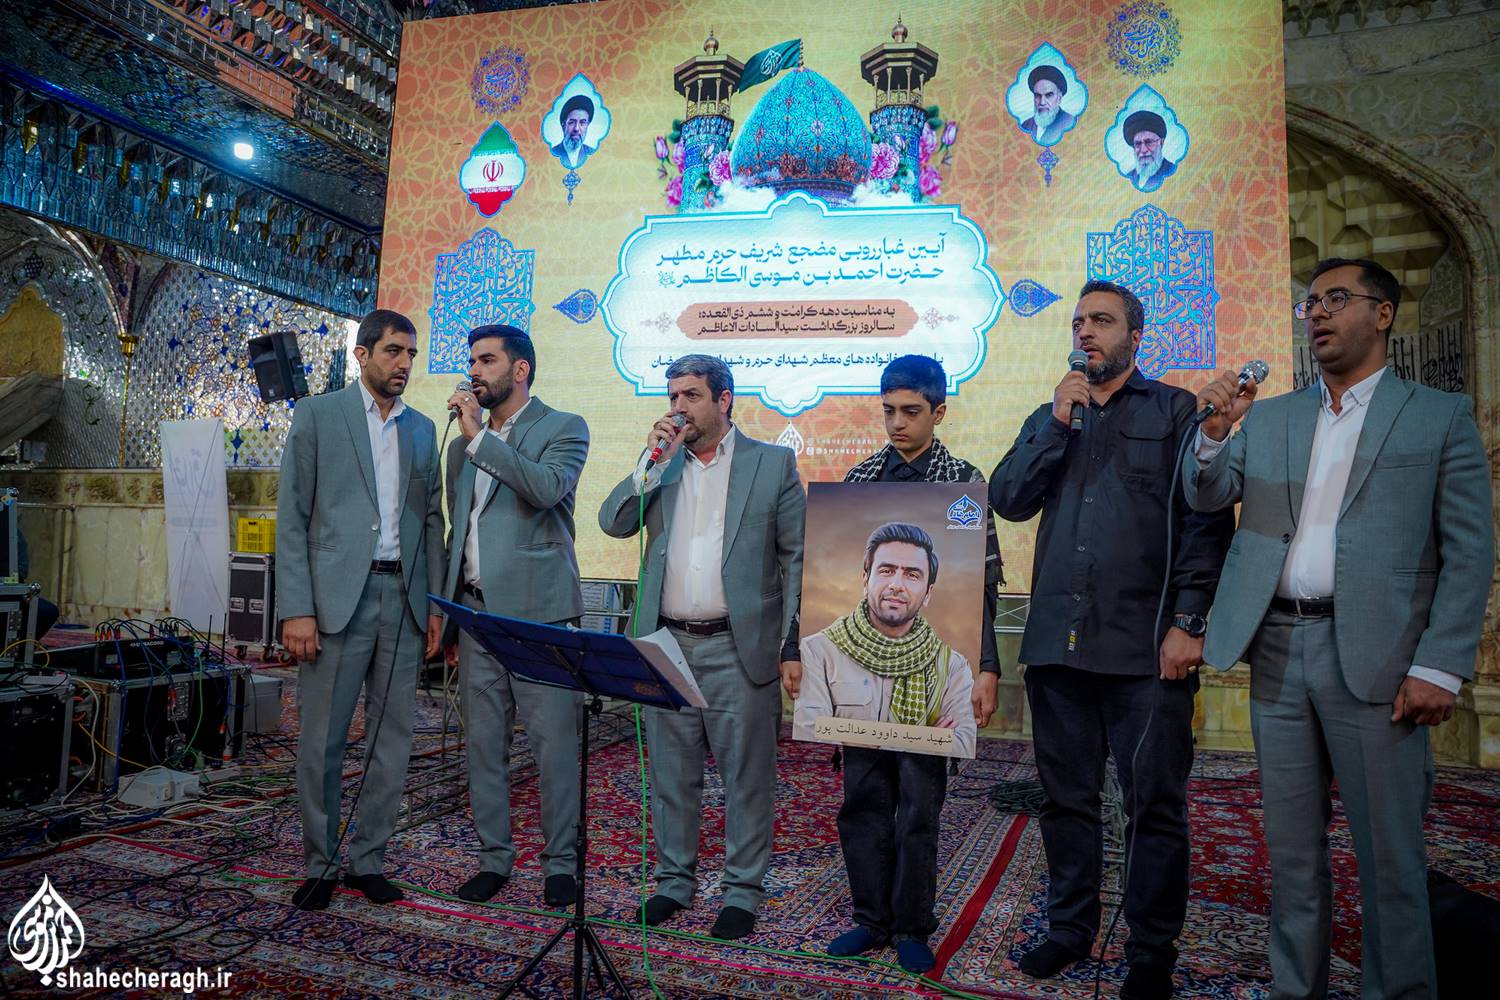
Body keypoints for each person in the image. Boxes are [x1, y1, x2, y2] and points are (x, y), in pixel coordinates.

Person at [1184, 257, 1494, 1000]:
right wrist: (1216, 433)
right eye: (1310, 303)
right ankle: (1298, 989)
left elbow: (1469, 549)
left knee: (1390, 857)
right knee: (1291, 853)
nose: (1317, 313)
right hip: (1278, 649)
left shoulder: (1437, 415)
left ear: (1382, 314)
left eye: (1335, 299)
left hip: (1382, 657)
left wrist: (1440, 664)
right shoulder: (1274, 417)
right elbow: (1207, 494)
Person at [990, 281, 1234, 1000]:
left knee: (1152, 805)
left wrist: (1189, 622)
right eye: (1078, 322)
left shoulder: (1175, 412)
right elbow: (1007, 498)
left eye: (1101, 320)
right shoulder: (1051, 414)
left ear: (1135, 335)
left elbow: (1205, 522)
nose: (1086, 332)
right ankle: (1070, 931)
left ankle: (1151, 951)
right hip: (1057, 647)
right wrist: (1055, 423)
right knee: (1065, 801)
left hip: (1144, 650)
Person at [598, 353, 804, 940]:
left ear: (724, 399)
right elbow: (613, 523)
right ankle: (673, 882)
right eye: (672, 397)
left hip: (739, 645)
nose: (678, 408)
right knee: (671, 774)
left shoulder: (771, 463)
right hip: (666, 643)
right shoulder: (661, 467)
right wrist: (647, 464)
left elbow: (796, 558)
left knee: (747, 777)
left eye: (690, 396)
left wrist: (791, 641)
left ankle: (741, 891)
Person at [276, 308, 445, 911]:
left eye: (411, 354)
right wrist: (296, 609)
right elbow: (292, 517)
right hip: (332, 604)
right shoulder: (318, 416)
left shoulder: (422, 429)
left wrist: (433, 604)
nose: (404, 364)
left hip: (403, 602)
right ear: (363, 354)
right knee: (322, 740)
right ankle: (320, 864)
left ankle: (368, 860)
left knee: (391, 740)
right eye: (394, 351)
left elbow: (432, 521)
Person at [440, 324, 590, 909]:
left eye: (487, 361)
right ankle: (493, 859)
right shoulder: (461, 446)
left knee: (553, 748)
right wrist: (450, 614)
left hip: (541, 619)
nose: (474, 372)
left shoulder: (564, 427)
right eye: (472, 361)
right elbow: (459, 529)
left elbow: (545, 489)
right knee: (483, 745)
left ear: (520, 369)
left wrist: (481, 437)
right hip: (477, 617)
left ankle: (560, 865)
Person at [790, 521, 975, 975]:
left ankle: (911, 930)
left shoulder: (951, 663)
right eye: (886, 570)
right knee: (864, 821)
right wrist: (920, 730)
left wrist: (935, 738)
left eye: (912, 574)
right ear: (865, 577)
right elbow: (810, 721)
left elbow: (963, 736)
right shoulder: (821, 649)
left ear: (928, 593)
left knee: (916, 825)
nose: (897, 584)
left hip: (922, 761)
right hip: (862, 756)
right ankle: (871, 923)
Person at [1020, 65, 1076, 146]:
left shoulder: (1070, 123)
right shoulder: (1026, 125)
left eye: (1049, 95)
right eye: (1038, 96)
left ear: (1059, 98)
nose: (1042, 102)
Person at [1123, 111, 1176, 193]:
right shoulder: (1129, 177)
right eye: (1138, 144)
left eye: (1149, 142)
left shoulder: (1173, 172)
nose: (1143, 150)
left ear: (1161, 143)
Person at [550, 95, 595, 169]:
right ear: (563, 125)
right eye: (572, 122)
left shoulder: (593, 154)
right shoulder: (552, 153)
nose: (576, 128)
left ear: (587, 125)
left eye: (582, 122)